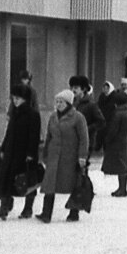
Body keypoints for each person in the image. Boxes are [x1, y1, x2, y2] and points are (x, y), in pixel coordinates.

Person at [36, 89, 90, 223]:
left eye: (61, 102)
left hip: (70, 157)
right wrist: (45, 153)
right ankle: (46, 213)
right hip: (54, 156)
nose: (58, 104)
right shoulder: (53, 117)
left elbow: (84, 139)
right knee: (49, 184)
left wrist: (82, 156)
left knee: (73, 183)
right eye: (57, 102)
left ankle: (74, 212)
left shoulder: (78, 117)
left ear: (68, 103)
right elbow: (49, 136)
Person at [0, 84, 41, 220]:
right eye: (13, 98)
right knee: (6, 179)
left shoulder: (33, 115)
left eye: (18, 98)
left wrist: (31, 154)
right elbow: (9, 133)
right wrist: (3, 148)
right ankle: (4, 208)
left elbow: (34, 136)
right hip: (11, 152)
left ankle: (28, 208)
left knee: (27, 180)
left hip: (25, 154)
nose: (15, 101)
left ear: (25, 99)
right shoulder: (14, 113)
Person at [101, 88, 127, 198]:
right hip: (123, 140)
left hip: (117, 141)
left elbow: (113, 129)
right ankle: (122, 188)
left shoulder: (118, 113)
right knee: (122, 163)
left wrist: (107, 139)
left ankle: (122, 189)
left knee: (121, 164)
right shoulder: (126, 112)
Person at [70, 75, 105, 155]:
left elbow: (101, 122)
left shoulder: (91, 104)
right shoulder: (72, 103)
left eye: (76, 88)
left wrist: (86, 128)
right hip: (73, 141)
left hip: (86, 142)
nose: (73, 90)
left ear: (83, 89)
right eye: (71, 88)